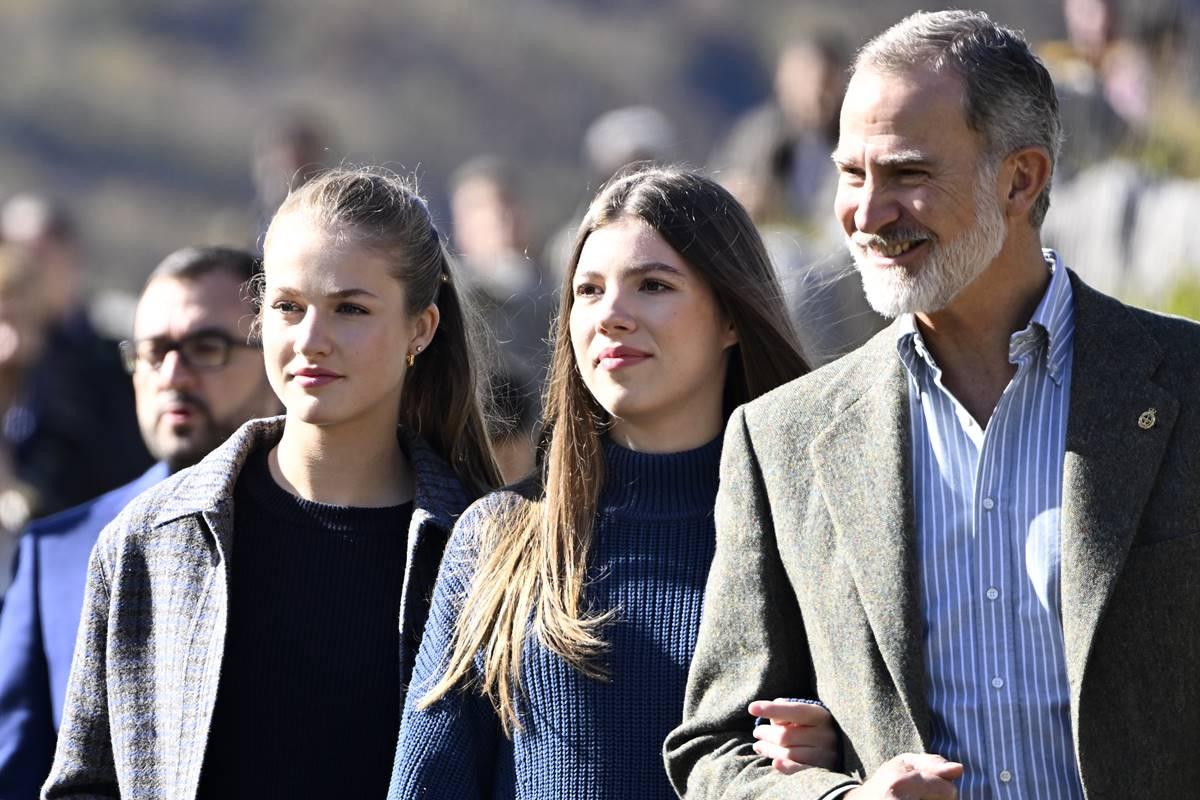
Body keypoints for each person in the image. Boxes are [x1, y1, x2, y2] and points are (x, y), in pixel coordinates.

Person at [666, 9, 1200, 800]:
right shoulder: (784, 440)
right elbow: (714, 750)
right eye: (853, 175)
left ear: (1021, 179)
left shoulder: (1185, 386)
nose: (868, 215)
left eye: (908, 175)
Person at [43, 168, 501, 799]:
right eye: (288, 307)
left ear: (420, 328)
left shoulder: (487, 551)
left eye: (349, 309)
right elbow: (85, 784)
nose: (311, 340)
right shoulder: (153, 539)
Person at [388, 166, 812, 800]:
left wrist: (831, 755)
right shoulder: (500, 536)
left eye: (653, 286)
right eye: (588, 291)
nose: (611, 315)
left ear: (731, 317)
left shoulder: (810, 524)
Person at [0, 245, 279, 798]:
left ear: (277, 353)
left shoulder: (350, 530)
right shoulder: (58, 550)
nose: (173, 373)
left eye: (207, 347)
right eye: (153, 352)